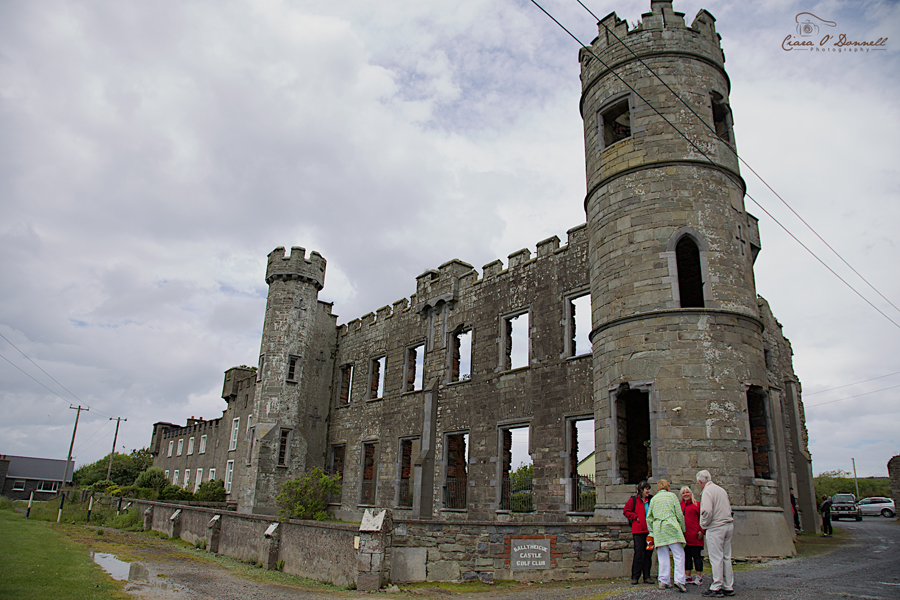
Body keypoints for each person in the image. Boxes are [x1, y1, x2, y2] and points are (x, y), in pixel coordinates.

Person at [697, 470, 734, 598]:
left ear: (700, 481)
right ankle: (728, 586)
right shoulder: (721, 490)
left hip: (716, 527)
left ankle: (717, 585)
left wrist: (703, 524)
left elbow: (707, 510)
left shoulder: (707, 491)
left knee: (716, 557)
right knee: (726, 557)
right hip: (728, 525)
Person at [647, 479, 687, 592]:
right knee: (678, 554)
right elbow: (679, 514)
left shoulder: (654, 499)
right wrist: (682, 529)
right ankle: (679, 580)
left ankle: (663, 580)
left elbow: (649, 517)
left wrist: (652, 531)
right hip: (671, 527)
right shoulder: (672, 496)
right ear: (667, 487)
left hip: (659, 529)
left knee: (662, 556)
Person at [623, 481, 653, 584]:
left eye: (649, 489)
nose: (648, 491)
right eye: (646, 489)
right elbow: (626, 511)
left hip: (650, 531)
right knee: (639, 554)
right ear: (641, 490)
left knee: (648, 554)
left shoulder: (651, 499)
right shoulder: (633, 500)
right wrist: (636, 517)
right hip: (638, 531)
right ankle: (635, 577)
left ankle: (647, 576)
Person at [680, 485, 705, 585]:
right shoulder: (680, 505)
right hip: (685, 536)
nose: (686, 494)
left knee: (697, 556)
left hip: (695, 535)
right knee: (687, 556)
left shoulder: (697, 504)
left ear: (691, 493)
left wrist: (702, 531)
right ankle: (688, 576)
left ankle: (699, 576)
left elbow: (702, 518)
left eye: (687, 492)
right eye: (683, 493)